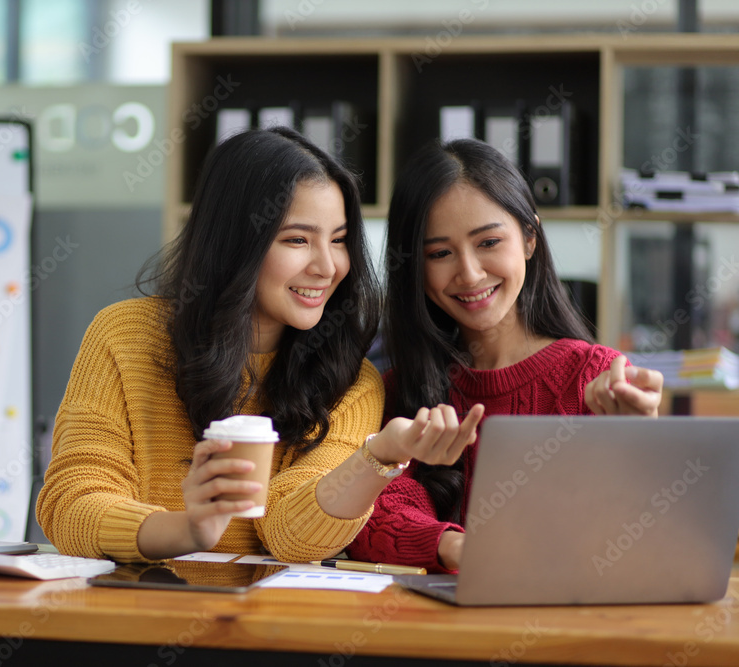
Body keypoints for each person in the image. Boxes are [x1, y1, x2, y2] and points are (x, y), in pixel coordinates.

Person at [35, 127, 481, 564]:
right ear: (236, 242)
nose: (327, 266)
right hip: (132, 620)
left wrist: (378, 456)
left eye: (340, 241)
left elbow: (293, 537)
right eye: (297, 240)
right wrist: (188, 530)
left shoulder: (350, 379)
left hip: (265, 631)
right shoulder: (124, 336)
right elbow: (72, 502)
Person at [346, 138, 664, 573]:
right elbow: (368, 517)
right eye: (439, 253)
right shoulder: (399, 389)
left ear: (530, 238)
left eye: (489, 242)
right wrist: (456, 548)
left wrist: (640, 441)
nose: (470, 273)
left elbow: (640, 534)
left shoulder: (593, 378)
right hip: (429, 631)